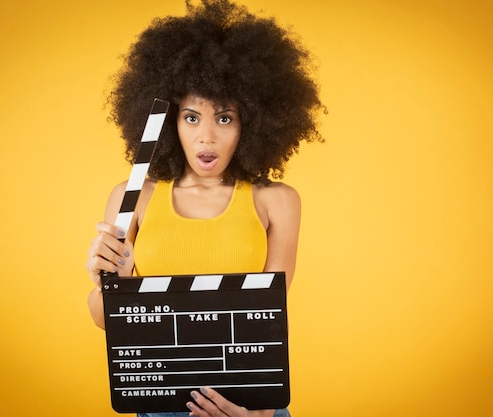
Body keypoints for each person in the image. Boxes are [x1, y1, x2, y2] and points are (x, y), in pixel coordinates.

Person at [85, 1, 325, 416]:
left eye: (226, 118)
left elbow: (266, 323)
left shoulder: (277, 201)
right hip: (159, 404)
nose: (207, 137)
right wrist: (110, 283)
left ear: (253, 123)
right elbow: (105, 320)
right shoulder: (133, 196)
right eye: (192, 118)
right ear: (169, 121)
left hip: (246, 403)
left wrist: (259, 413)